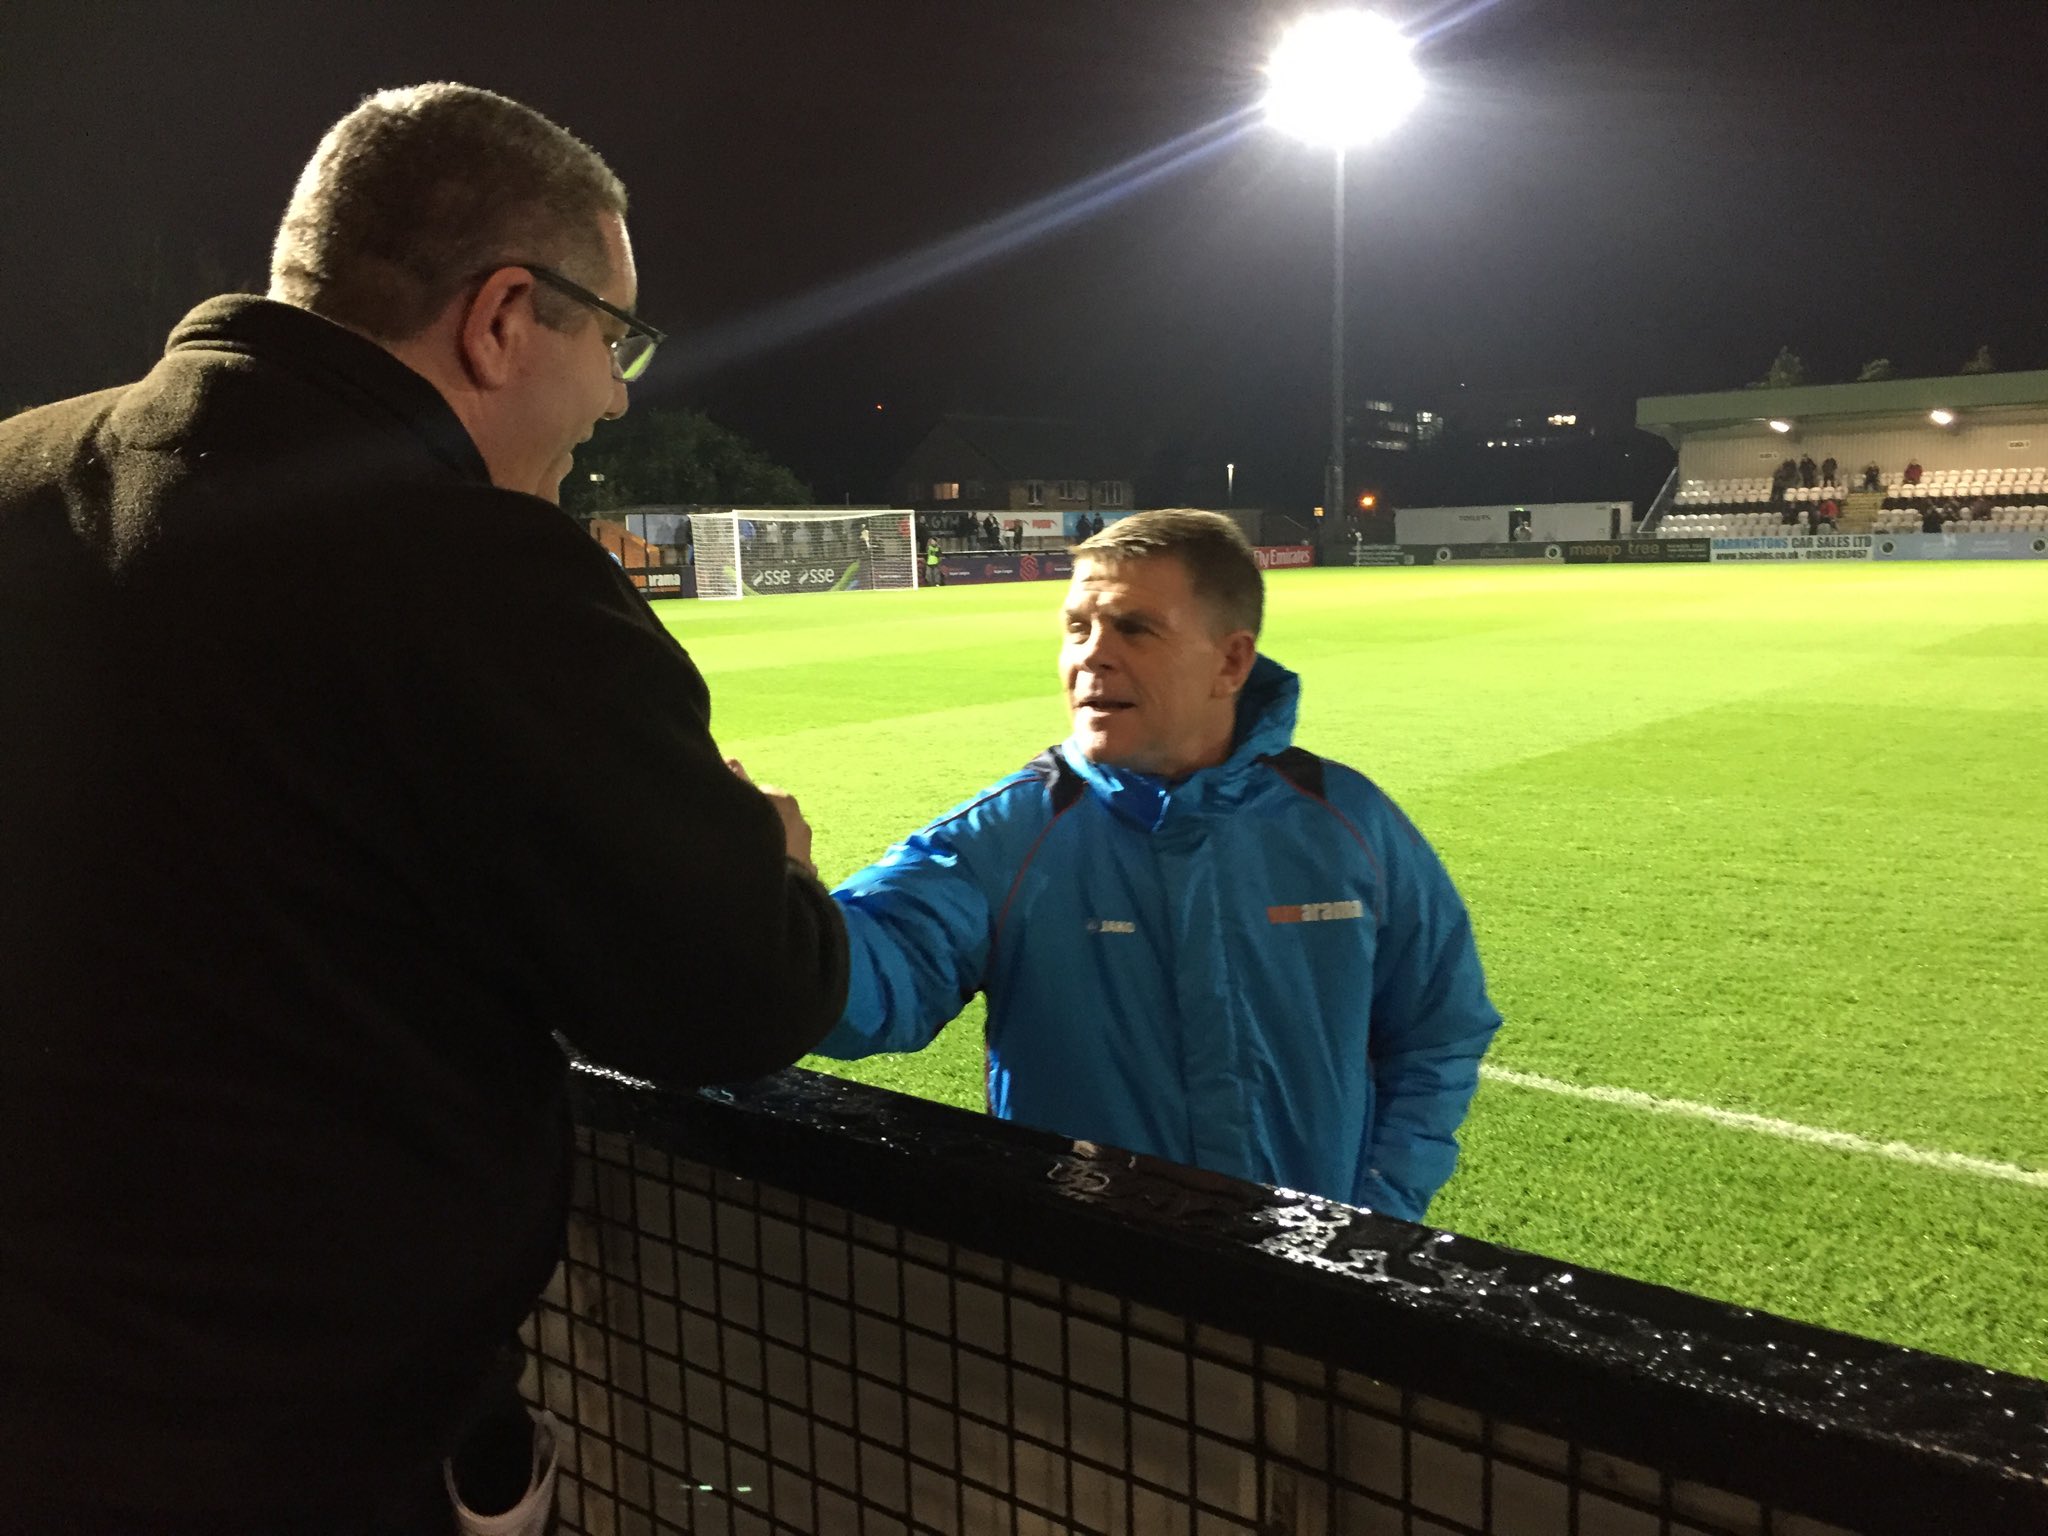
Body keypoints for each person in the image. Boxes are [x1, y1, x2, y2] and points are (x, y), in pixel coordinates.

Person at [0, 84, 848, 1535]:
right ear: (506, 315)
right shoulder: (482, 573)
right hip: (292, 1453)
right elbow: (733, 994)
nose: (620, 394)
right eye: (616, 336)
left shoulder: (20, 472)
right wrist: (769, 855)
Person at [813, 510, 1503, 1220]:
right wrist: (775, 900)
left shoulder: (1350, 823)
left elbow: (1438, 1028)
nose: (1092, 654)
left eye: (1133, 628)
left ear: (1231, 662)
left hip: (1307, 1281)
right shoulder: (1010, 835)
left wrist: (1377, 1209)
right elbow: (871, 984)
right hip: (1088, 1286)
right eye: (1077, 627)